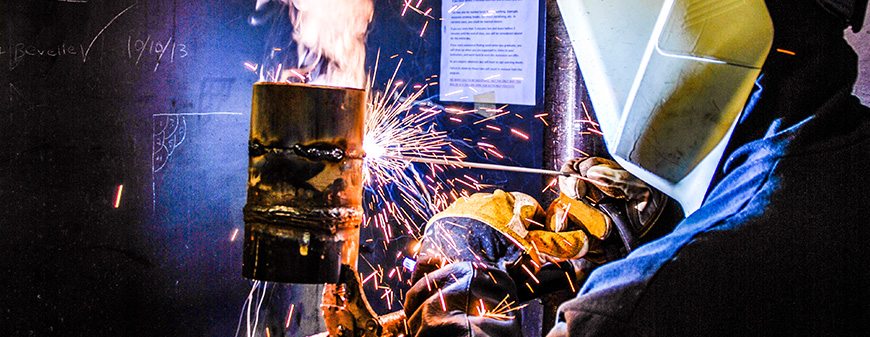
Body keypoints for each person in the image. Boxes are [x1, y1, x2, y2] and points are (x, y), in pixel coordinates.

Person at [404, 0, 870, 336]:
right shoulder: (845, 160)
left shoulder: (647, 300)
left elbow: (681, 285)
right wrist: (635, 236)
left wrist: (454, 317)